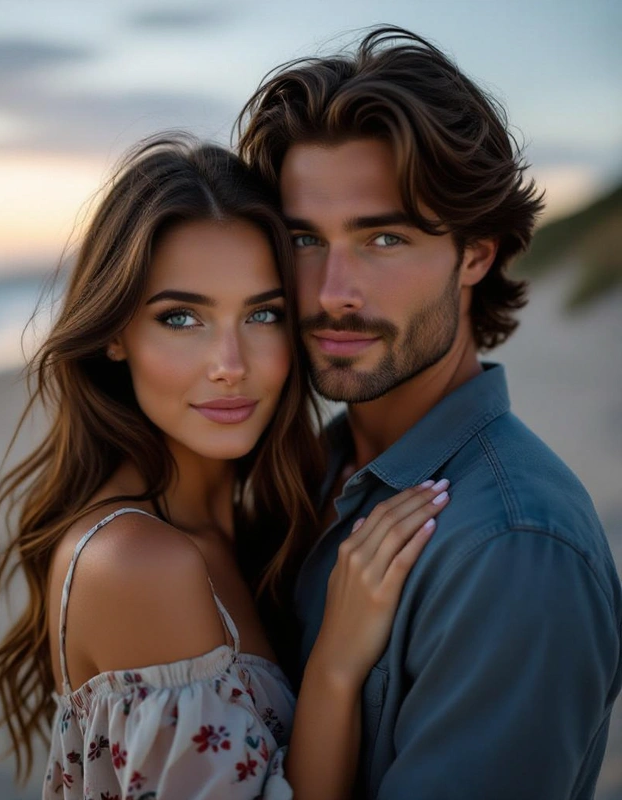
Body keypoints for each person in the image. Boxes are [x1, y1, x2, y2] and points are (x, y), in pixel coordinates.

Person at [0, 136, 451, 799]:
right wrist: (337, 666)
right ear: (116, 333)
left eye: (263, 314)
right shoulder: (139, 564)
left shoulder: (250, 528)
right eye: (182, 317)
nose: (230, 362)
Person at [237, 25, 622, 800]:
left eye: (384, 237)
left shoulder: (514, 551)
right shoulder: (307, 473)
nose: (331, 290)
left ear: (476, 253)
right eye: (305, 238)